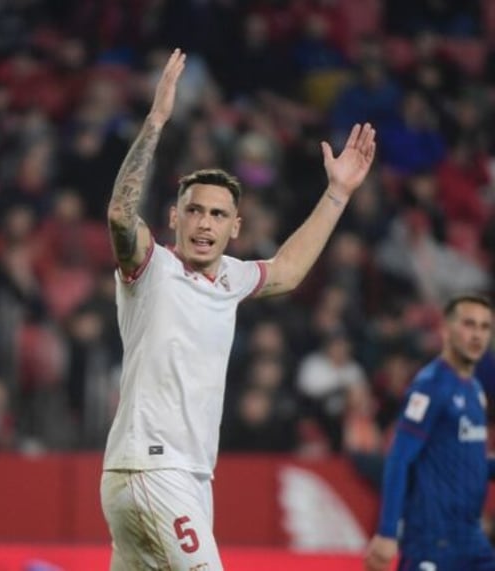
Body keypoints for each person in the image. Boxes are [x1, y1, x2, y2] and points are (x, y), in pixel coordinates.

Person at [100, 48, 376, 570]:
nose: (205, 224)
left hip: (182, 477)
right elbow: (119, 213)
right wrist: (156, 121)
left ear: (235, 229)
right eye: (195, 211)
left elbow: (289, 270)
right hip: (154, 472)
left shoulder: (230, 277)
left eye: (218, 215)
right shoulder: (151, 267)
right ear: (174, 218)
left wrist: (337, 193)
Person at [365, 295, 495, 571]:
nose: (478, 335)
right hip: (432, 539)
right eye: (469, 324)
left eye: (485, 327)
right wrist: (387, 532)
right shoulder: (431, 386)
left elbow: (462, 461)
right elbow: (399, 459)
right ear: (446, 330)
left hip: (471, 537)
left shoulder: (474, 391)